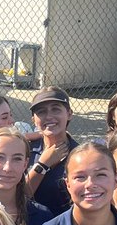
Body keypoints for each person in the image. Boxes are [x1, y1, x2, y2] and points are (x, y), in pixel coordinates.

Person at [24, 87, 78, 216]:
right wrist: (43, 164)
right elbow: (18, 197)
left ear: (69, 113)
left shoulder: (80, 154)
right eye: (41, 112)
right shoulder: (25, 149)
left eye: (56, 109)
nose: (49, 116)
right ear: (33, 119)